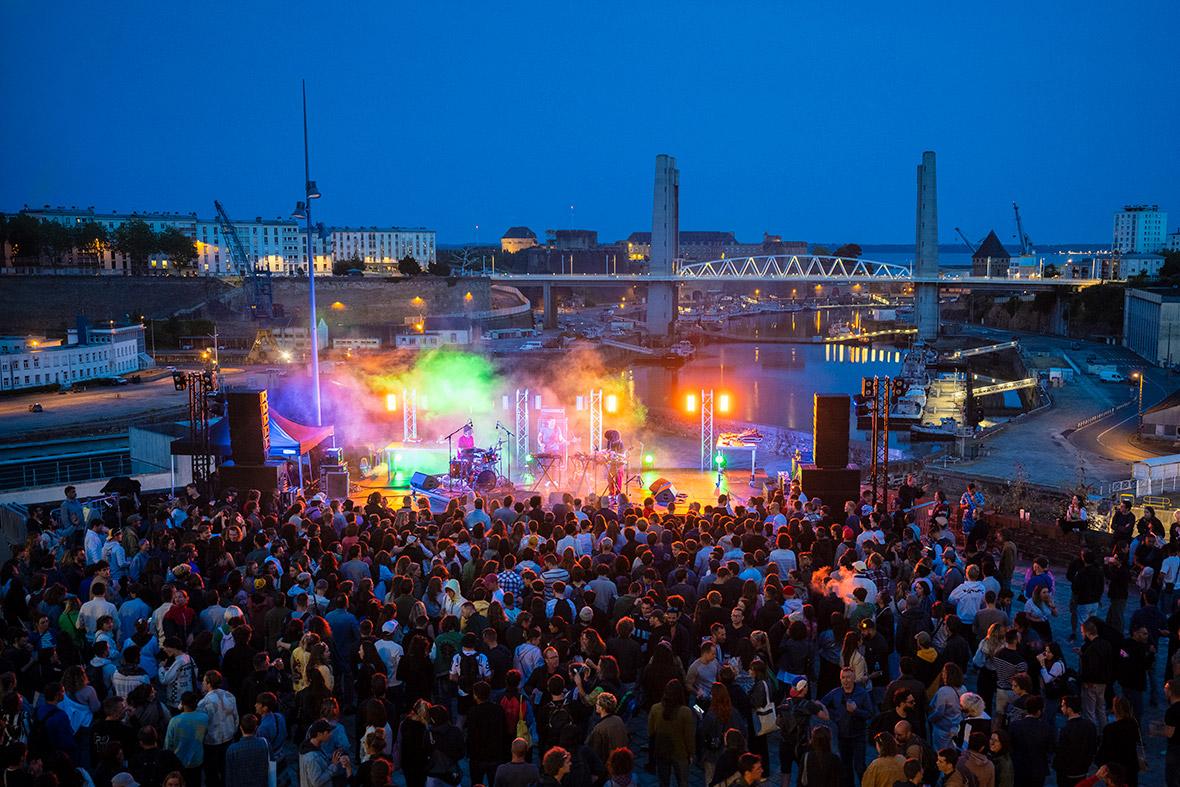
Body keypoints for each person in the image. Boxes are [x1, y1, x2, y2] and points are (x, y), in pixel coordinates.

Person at [647, 679, 695, 787]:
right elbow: (689, 736)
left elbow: (650, 732)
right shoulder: (685, 712)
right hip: (681, 753)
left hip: (661, 750)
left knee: (663, 782)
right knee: (682, 782)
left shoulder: (655, 709)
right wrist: (691, 753)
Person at [1096, 697, 1144, 787]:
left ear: (1116, 709)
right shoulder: (1133, 724)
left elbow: (1106, 750)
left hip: (1116, 769)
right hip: (1131, 766)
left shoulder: (1110, 729)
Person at [1055, 696, 1098, 787]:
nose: (1061, 708)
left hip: (1067, 773)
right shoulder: (1090, 726)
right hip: (1083, 770)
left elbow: (1062, 753)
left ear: (1069, 709)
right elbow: (1093, 748)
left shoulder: (1066, 729)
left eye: (1063, 706)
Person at [299, 719, 352, 787]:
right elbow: (317, 782)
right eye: (328, 732)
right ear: (319, 734)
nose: (331, 734)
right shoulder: (312, 757)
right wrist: (333, 766)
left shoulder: (314, 746)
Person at [224, 713, 270, 787]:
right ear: (256, 728)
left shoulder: (232, 749)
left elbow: (229, 775)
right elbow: (271, 765)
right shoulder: (265, 743)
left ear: (241, 728)